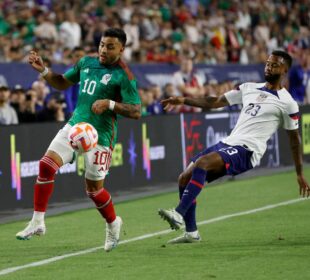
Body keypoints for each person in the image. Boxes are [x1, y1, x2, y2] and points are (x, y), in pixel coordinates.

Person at [158, 50, 310, 244]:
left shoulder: (288, 103)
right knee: (184, 178)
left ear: (285, 70)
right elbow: (215, 101)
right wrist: (183, 100)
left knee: (202, 163)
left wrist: (299, 173)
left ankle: (179, 213)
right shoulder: (249, 87)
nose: (269, 67)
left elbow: (294, 139)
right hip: (229, 143)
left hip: (248, 151)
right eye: (268, 63)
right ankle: (191, 232)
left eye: (274, 64)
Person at [16, 28, 141, 252]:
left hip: (100, 136)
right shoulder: (86, 62)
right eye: (102, 44)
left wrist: (110, 104)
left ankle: (113, 224)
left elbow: (136, 111)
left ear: (122, 49)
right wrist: (44, 70)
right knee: (46, 165)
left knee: (93, 190)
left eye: (110, 46)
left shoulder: (125, 76)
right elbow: (63, 82)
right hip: (75, 127)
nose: (103, 49)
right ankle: (37, 222)